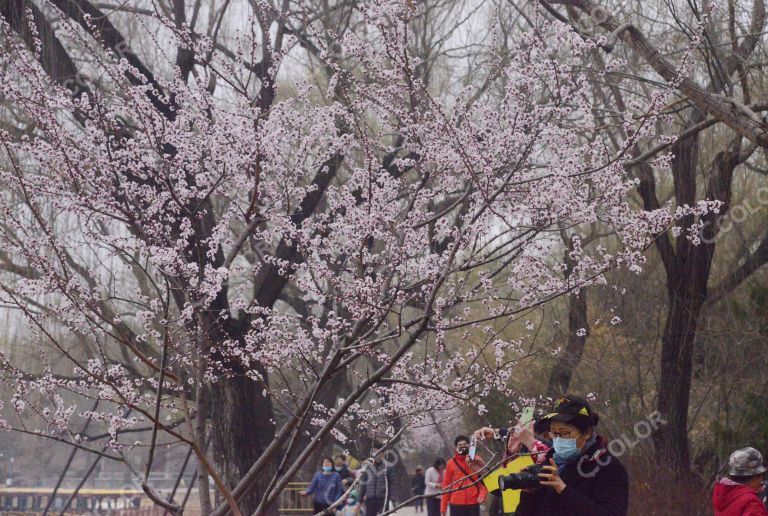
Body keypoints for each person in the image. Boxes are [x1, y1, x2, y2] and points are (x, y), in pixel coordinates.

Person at [476, 395, 628, 516]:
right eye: (554, 433)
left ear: (587, 432)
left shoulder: (608, 468)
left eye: (565, 433)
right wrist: (530, 494)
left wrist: (563, 490)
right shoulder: (549, 463)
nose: (559, 439)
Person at [440, 435, 488, 516]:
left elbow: (483, 480)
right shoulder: (451, 463)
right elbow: (446, 485)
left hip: (473, 502)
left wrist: (483, 494)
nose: (463, 447)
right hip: (455, 504)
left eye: (465, 444)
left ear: (469, 445)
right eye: (460, 445)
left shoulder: (476, 460)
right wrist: (443, 507)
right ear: (456, 447)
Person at [713, 447, 768, 516]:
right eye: (761, 476)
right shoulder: (751, 504)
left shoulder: (723, 498)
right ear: (754, 478)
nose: (761, 481)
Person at [361, 446, 392, 515]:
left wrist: (392, 498)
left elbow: (392, 484)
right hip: (369, 498)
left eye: (378, 451)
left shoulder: (388, 466)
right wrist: (360, 499)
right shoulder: (368, 466)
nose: (376, 453)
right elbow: (363, 483)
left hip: (383, 498)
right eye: (374, 451)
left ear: (383, 453)